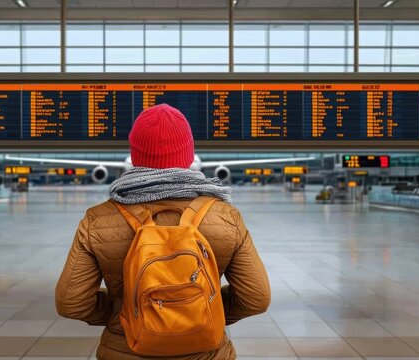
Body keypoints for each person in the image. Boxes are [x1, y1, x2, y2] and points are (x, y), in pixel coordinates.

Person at [55, 103, 271, 359]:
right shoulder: (226, 217)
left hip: (125, 349)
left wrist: (124, 311)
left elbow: (71, 302)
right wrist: (197, 308)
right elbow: (256, 298)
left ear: (135, 154)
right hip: (205, 352)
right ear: (188, 154)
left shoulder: (97, 219)